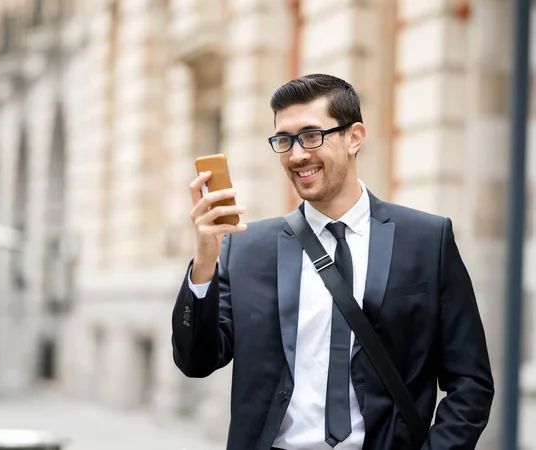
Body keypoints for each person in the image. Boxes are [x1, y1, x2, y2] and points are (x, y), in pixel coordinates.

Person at [171, 74, 494, 450]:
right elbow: (196, 362)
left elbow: (470, 381)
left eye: (311, 136)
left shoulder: (426, 240)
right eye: (284, 140)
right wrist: (205, 261)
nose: (296, 155)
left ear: (354, 137)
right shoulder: (248, 249)